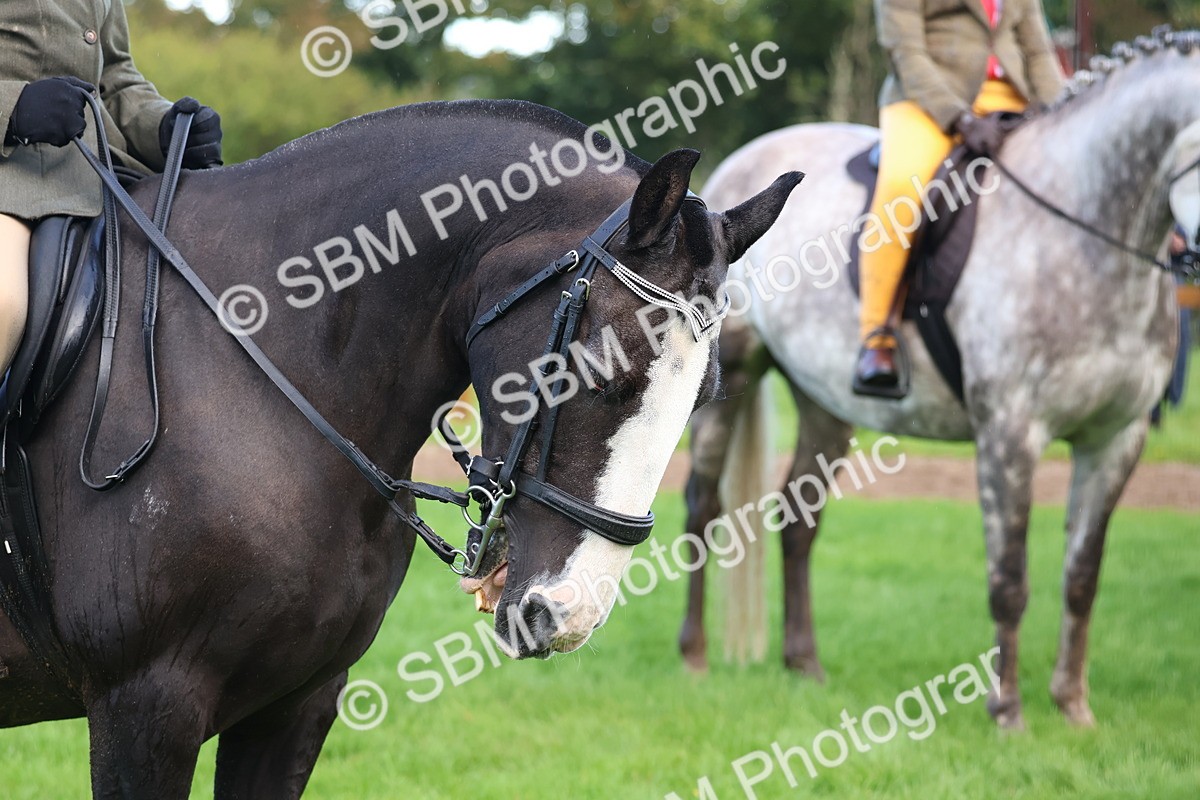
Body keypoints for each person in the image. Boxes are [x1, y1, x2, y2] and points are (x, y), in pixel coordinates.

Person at [0, 1, 222, 379]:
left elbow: (115, 76)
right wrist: (14, 108)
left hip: (100, 169)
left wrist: (163, 129)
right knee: (4, 303)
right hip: (10, 177)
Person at [854, 0, 1065, 395]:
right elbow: (906, 53)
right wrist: (958, 118)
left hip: (1011, 96)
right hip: (928, 98)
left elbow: (1037, 52)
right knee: (902, 188)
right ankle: (877, 336)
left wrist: (1064, 114)